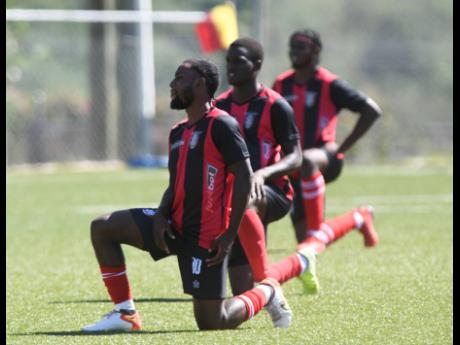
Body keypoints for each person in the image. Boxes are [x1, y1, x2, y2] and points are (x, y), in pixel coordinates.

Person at [82, 58, 293, 332]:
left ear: (200, 84)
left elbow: (244, 178)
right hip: (174, 226)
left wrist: (228, 235)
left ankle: (267, 292)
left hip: (207, 236)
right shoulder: (178, 131)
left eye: (179, 78)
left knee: (212, 322)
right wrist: (160, 215)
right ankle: (125, 314)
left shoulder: (222, 125)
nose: (172, 84)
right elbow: (175, 184)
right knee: (103, 228)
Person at [215, 38, 319, 295]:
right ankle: (299, 263)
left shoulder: (276, 105)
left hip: (272, 192)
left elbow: (295, 157)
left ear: (257, 65)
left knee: (245, 201)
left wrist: (263, 173)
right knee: (245, 294)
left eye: (239, 61)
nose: (231, 67)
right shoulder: (220, 106)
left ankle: (269, 283)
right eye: (228, 61)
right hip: (233, 196)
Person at [272, 29, 382, 250]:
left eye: (300, 47)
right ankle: (358, 218)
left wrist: (343, 147)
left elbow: (371, 110)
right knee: (306, 243)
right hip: (293, 161)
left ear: (315, 51)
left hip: (325, 156)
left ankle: (318, 234)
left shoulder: (329, 83)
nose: (293, 52)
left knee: (308, 161)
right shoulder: (281, 84)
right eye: (291, 47)